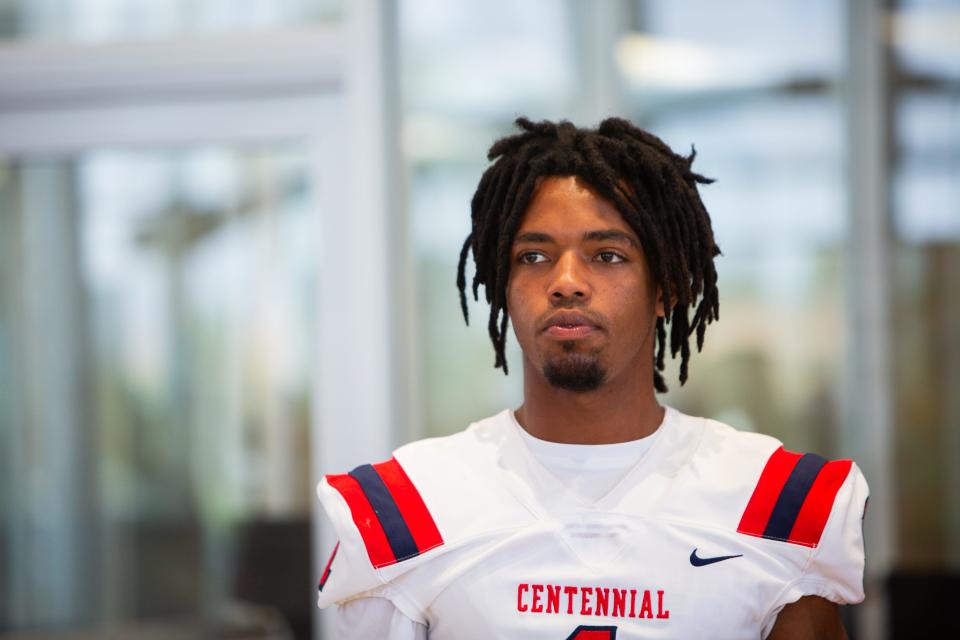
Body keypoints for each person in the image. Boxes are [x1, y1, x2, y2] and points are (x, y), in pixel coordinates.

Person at [315, 117, 868, 639]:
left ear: (667, 288)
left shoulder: (779, 503)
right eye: (533, 256)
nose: (566, 282)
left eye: (607, 254)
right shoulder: (406, 506)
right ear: (502, 285)